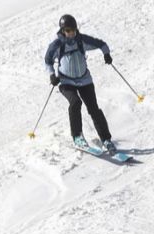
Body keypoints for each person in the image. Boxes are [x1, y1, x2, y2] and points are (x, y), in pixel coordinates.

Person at [44, 14, 116, 153]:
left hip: (84, 80)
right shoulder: (57, 45)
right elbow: (47, 60)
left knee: (93, 108)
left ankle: (106, 140)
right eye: (68, 30)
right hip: (66, 82)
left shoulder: (81, 40)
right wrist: (52, 75)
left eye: (73, 30)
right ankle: (77, 136)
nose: (71, 33)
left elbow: (101, 44)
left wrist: (106, 54)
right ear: (63, 30)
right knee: (75, 103)